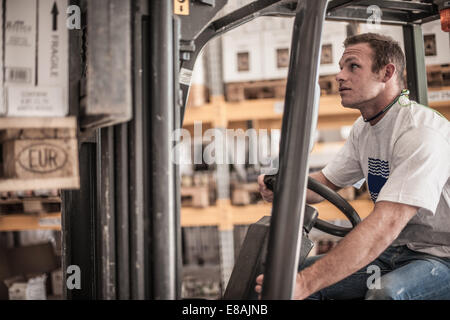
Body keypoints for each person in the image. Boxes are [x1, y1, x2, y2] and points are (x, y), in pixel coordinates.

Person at [255, 33, 450, 300]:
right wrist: (282, 187)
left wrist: (306, 283)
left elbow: (386, 223)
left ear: (386, 73)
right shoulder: (364, 129)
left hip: (441, 256)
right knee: (280, 277)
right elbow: (325, 183)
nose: (339, 76)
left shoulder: (420, 133)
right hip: (395, 251)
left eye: (353, 66)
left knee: (386, 294)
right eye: (340, 67)